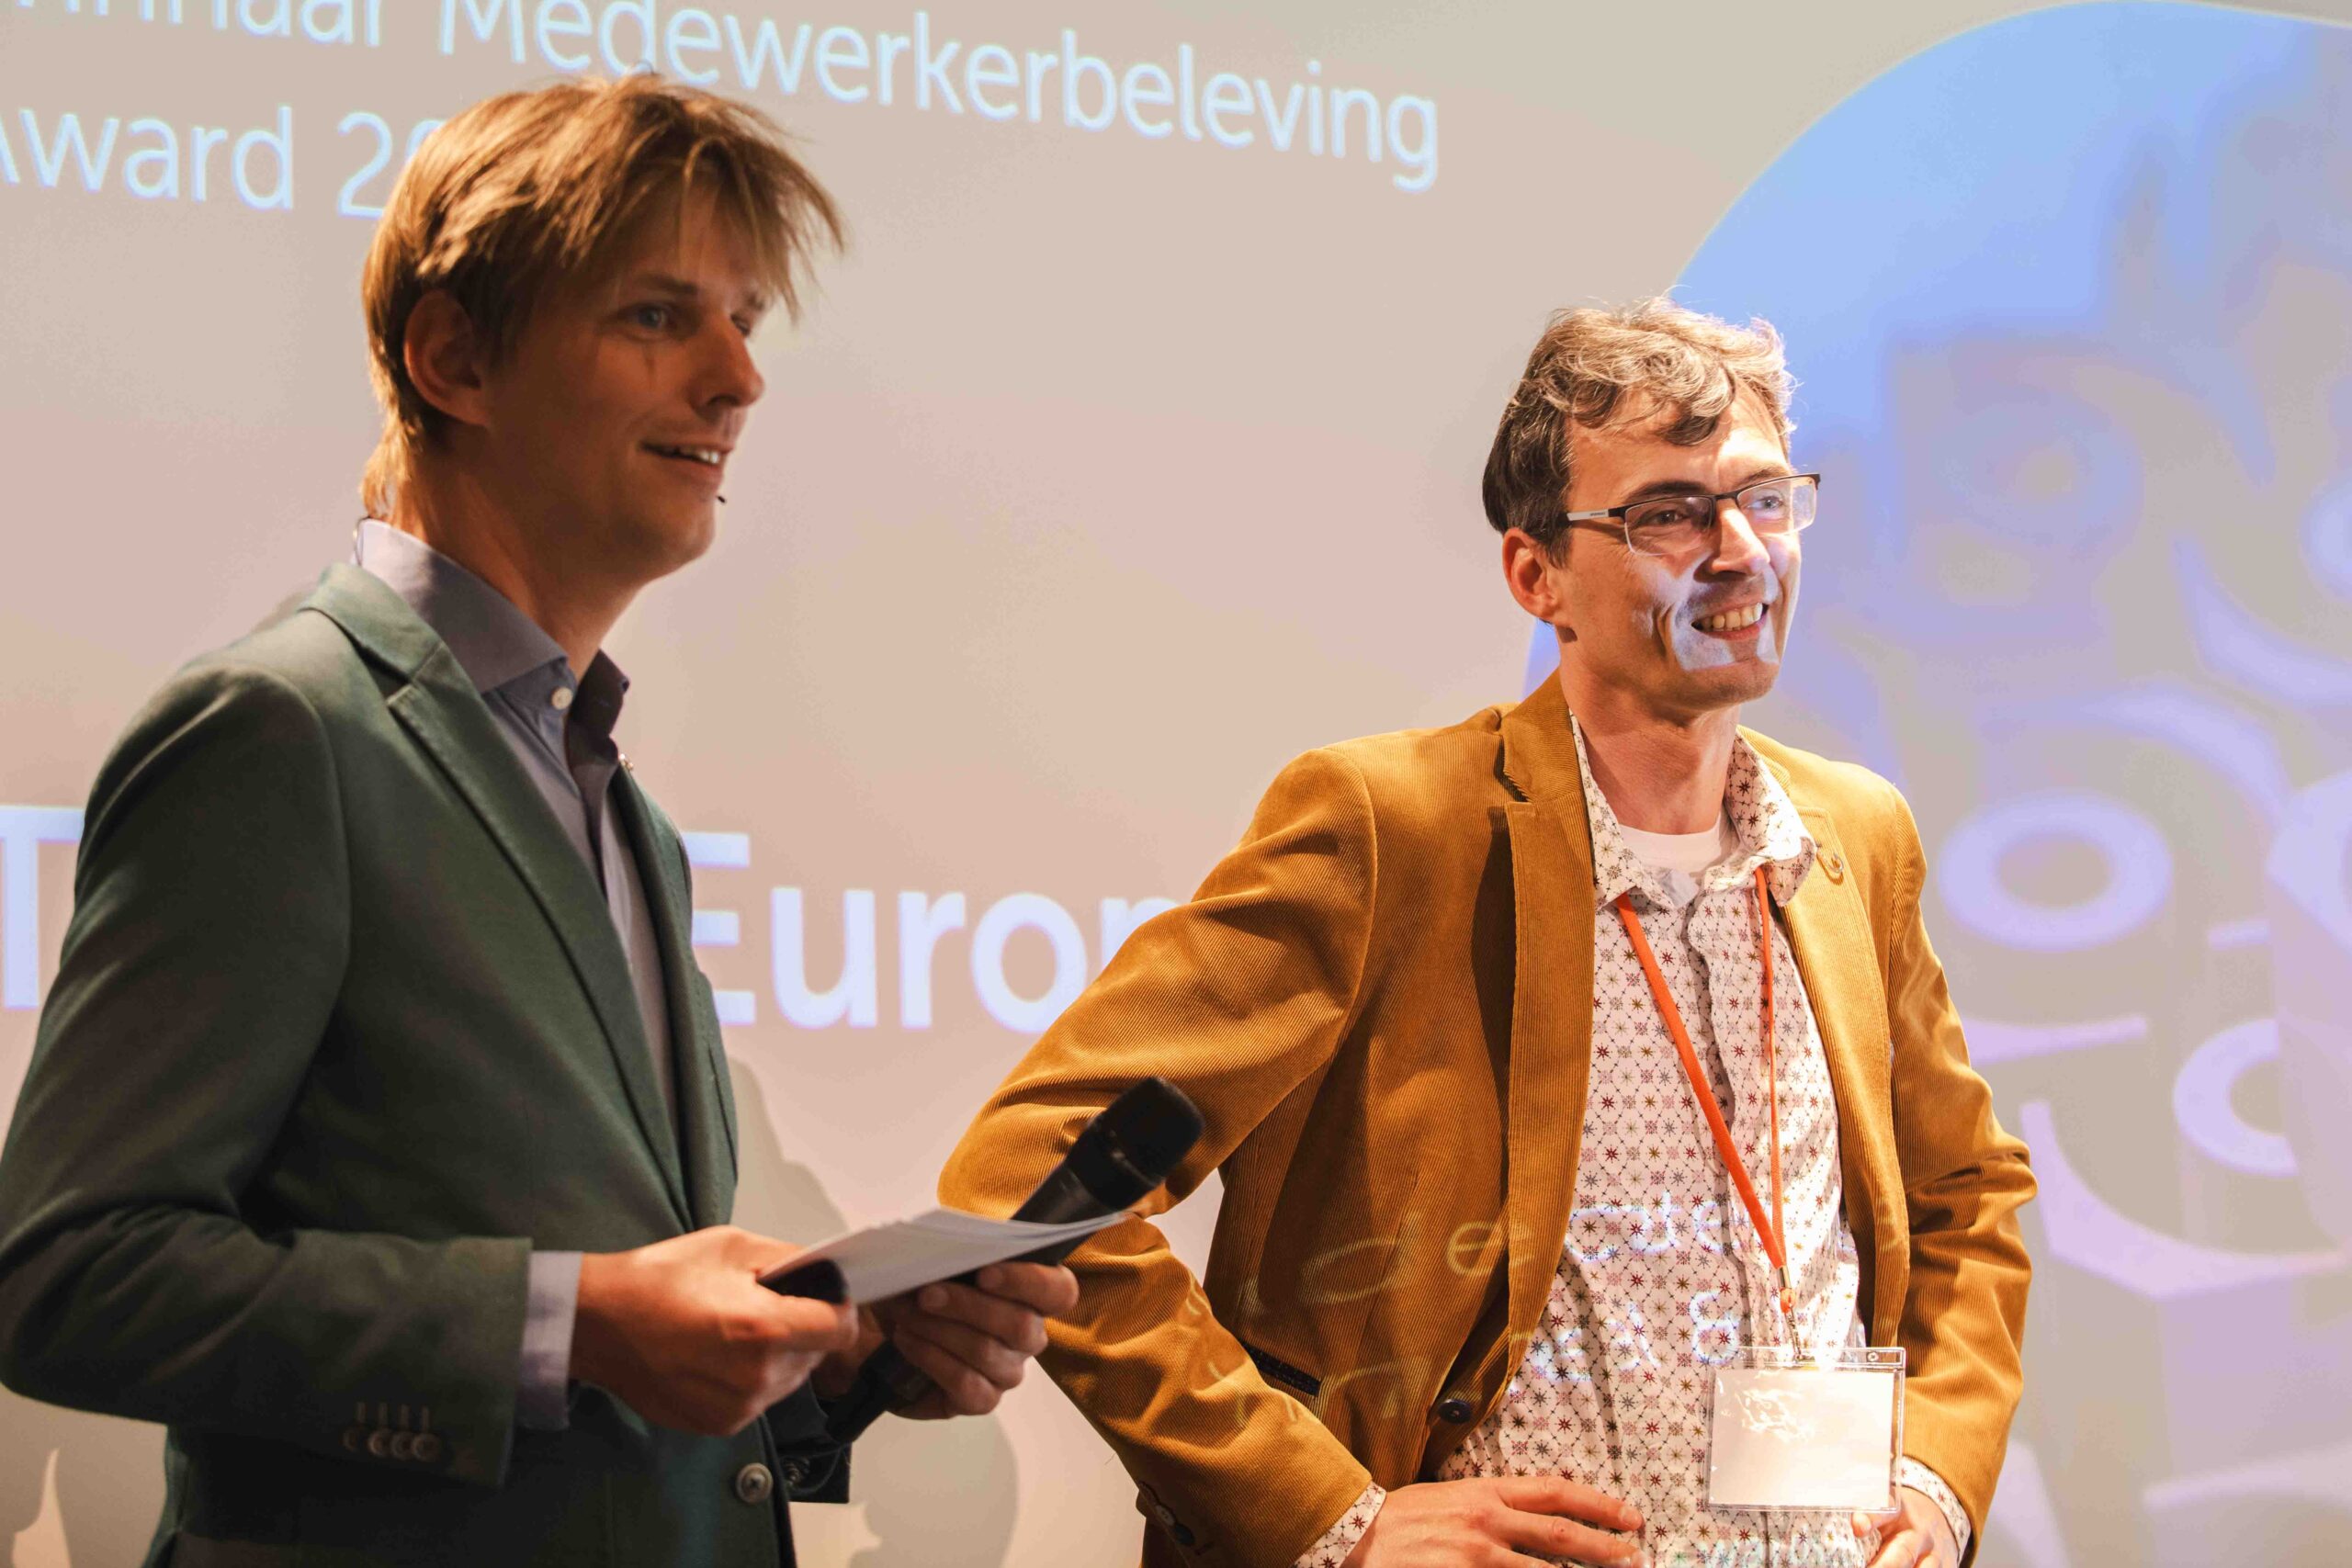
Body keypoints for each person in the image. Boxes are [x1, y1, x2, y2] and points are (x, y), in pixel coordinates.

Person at [0, 74, 1073, 1567]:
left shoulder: (627, 812)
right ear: (455, 358)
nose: (738, 380)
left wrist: (833, 1361)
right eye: (658, 316)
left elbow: (612, 1430)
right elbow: (65, 1278)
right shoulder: (282, 732)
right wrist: (576, 1324)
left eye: (745, 321)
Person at [939, 299, 2033, 1568]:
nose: (1741, 550)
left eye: (1764, 498)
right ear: (1536, 576)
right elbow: (1029, 1177)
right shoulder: (1395, 824)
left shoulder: (1855, 835)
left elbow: (1965, 1196)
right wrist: (1326, 1517)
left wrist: (1938, 1476)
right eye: (1669, 514)